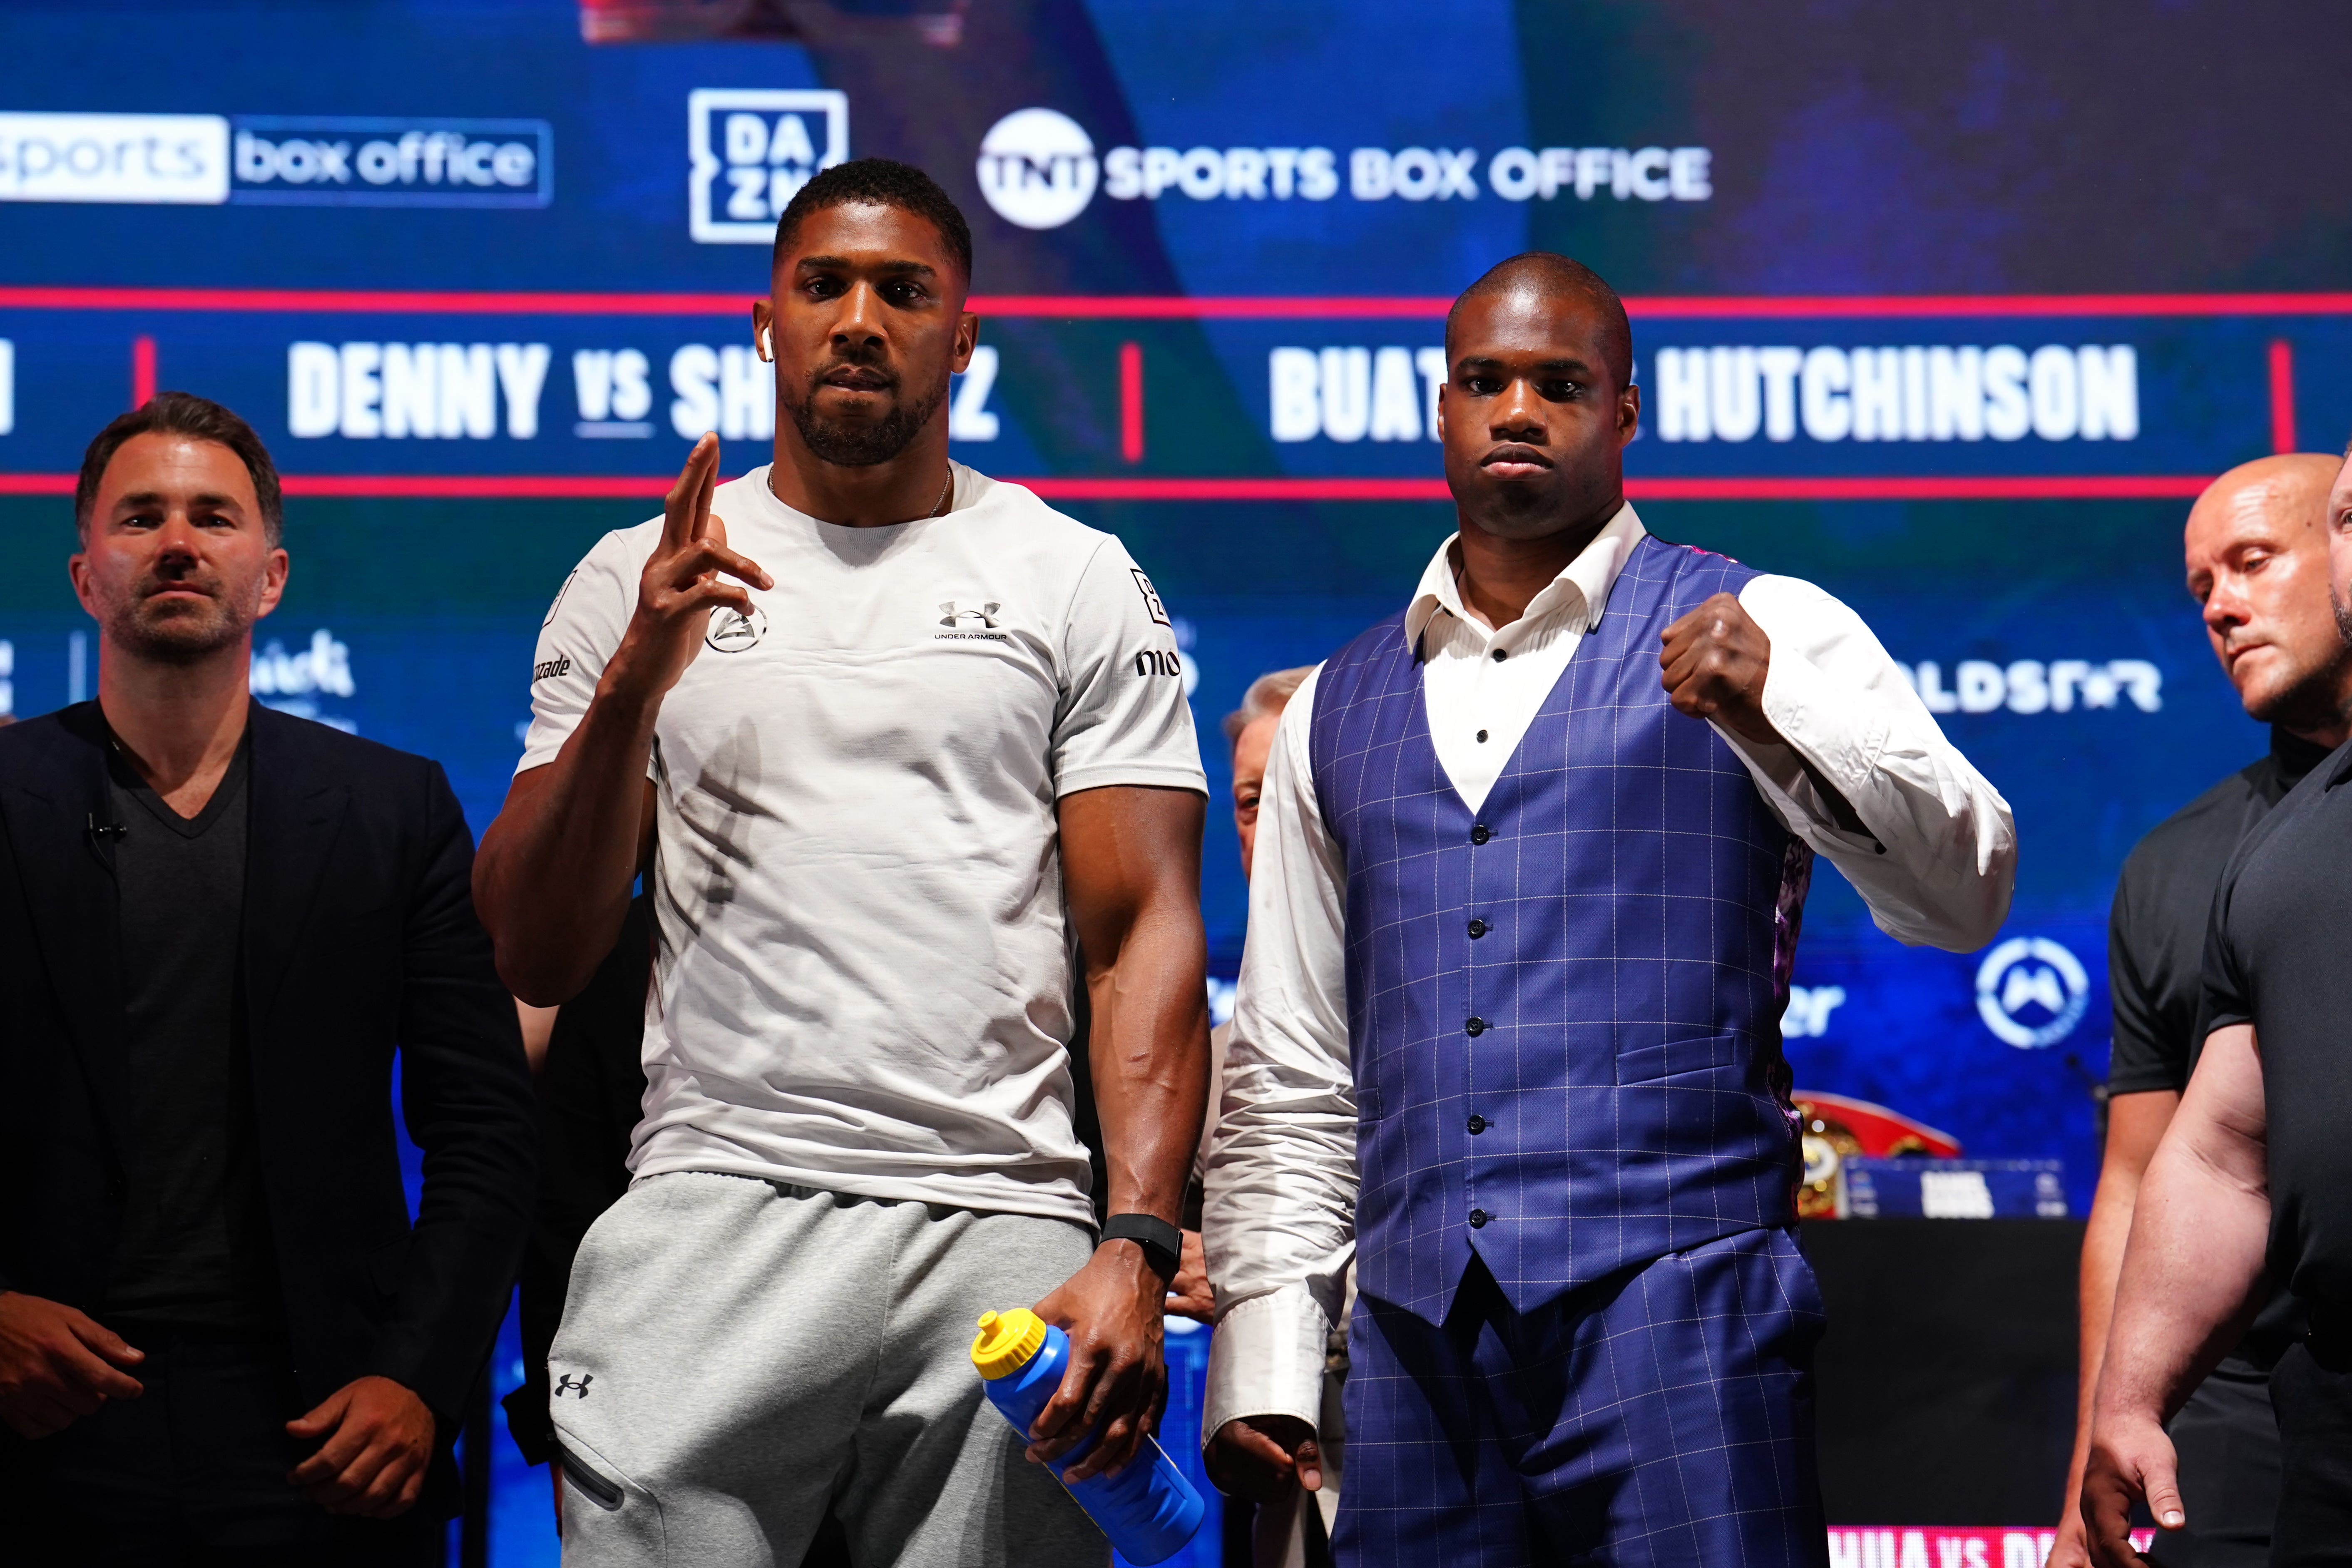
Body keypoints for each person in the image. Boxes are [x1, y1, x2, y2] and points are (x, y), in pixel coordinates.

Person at [1200, 253, 2016, 1566]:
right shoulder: (1329, 713)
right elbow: (1297, 1070)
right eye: (1486, 381)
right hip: (1417, 1353)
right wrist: (1269, 1358)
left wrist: (1781, 710)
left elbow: (1965, 892)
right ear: (1442, 408)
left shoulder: (1760, 620)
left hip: (1686, 1314)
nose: (1518, 409)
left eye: (1561, 384)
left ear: (1624, 416)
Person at [471, 158, 1210, 1567]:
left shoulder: (1073, 573)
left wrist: (1137, 1240)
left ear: (965, 334)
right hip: (714, 1203)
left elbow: (1144, 930)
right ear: (767, 321)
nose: (860, 318)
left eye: (904, 290)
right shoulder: (639, 572)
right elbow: (532, 947)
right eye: (824, 286)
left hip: (1005, 1224)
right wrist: (636, 678)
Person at [0, 393, 537, 1564]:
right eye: (141, 518)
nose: (180, 542)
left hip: (323, 1433)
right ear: (87, 576)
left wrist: (418, 1379)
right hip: (35, 1417)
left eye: (214, 517)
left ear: (272, 574)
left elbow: (489, 1131)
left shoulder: (393, 810)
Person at [2051, 454, 2352, 1568]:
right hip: (2234, 1403)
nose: (2221, 606)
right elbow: (2168, 1167)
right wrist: (2100, 1434)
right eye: (2200, 588)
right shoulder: (2197, 865)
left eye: (2253, 562)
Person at [1173, 666, 1343, 1568]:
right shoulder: (1205, 1052)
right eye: (1250, 801)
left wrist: (1266, 1282)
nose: (1272, 827)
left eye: (1297, 795)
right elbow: (1179, 1250)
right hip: (1278, 1495)